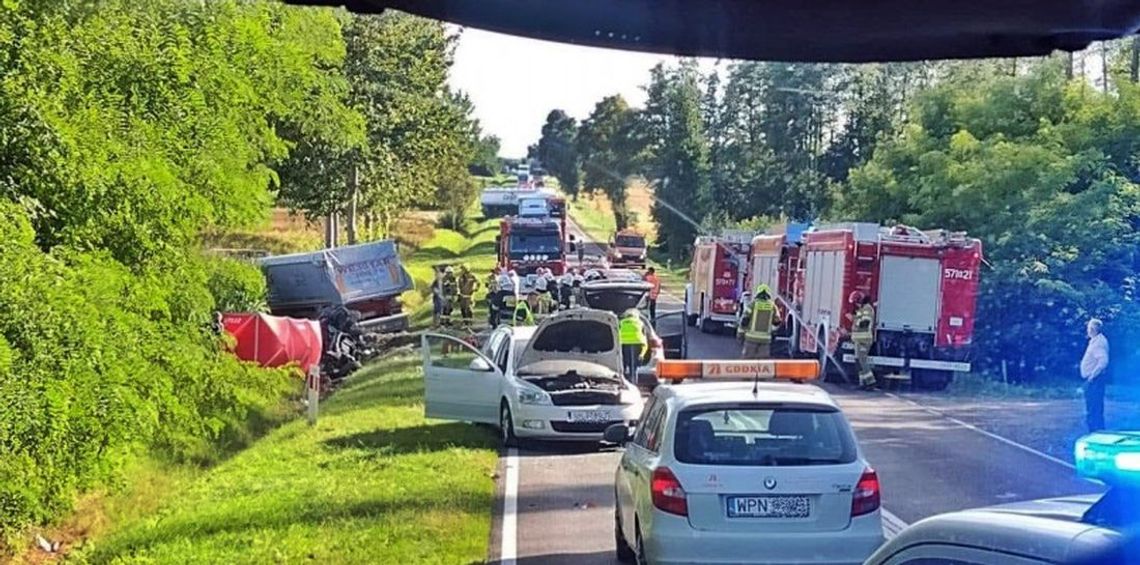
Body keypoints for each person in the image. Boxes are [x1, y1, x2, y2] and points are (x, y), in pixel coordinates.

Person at [1081, 318, 1110, 432]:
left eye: (1088, 328)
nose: (1087, 330)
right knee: (1093, 408)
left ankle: (1095, 433)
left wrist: (1092, 376)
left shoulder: (1099, 343)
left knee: (1094, 409)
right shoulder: (1095, 341)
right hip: (1094, 380)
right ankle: (1095, 431)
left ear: (1092, 329)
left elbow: (1103, 361)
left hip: (1095, 380)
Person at [741, 284, 776, 359]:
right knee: (762, 363)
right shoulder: (772, 306)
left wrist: (741, 334)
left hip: (751, 339)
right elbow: (777, 321)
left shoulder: (752, 304)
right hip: (765, 340)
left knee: (747, 360)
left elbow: (745, 320)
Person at [851, 292, 877, 389]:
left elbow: (865, 323)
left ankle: (871, 382)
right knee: (858, 361)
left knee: (862, 361)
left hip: (864, 340)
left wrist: (854, 321)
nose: (855, 305)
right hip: (859, 340)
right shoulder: (861, 309)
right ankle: (862, 382)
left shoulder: (867, 309)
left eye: (855, 302)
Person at [619, 309, 648, 384]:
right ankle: (634, 382)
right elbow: (644, 335)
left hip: (624, 343)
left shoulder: (621, 322)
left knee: (623, 364)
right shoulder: (640, 323)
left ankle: (623, 381)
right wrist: (642, 354)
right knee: (634, 366)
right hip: (638, 343)